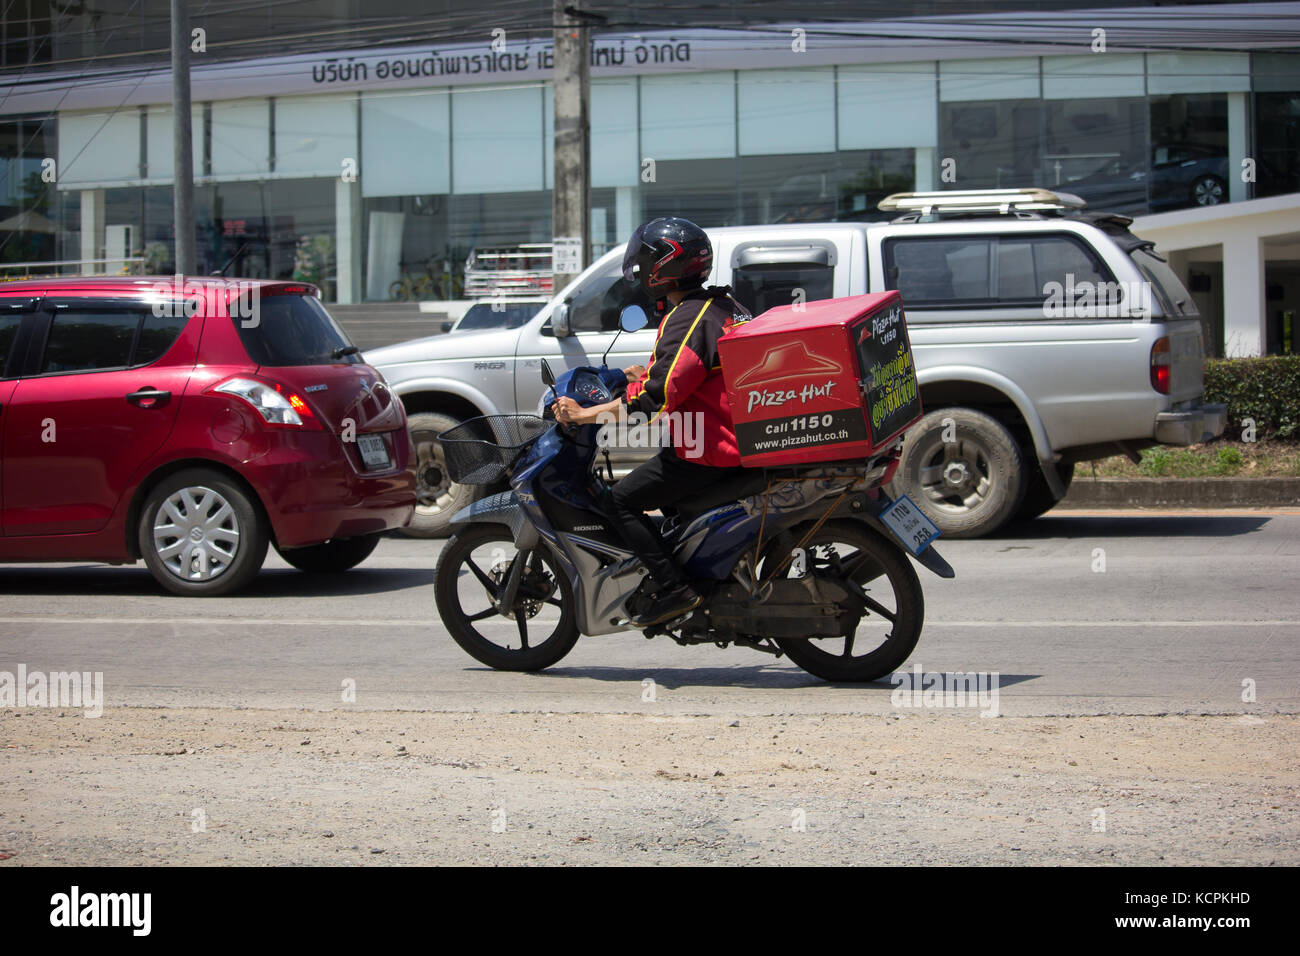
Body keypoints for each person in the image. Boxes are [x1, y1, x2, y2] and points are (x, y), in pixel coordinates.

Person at [554, 217, 751, 626]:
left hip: (710, 448)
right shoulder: (723, 305)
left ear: (665, 267)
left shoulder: (688, 318)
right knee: (662, 492)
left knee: (619, 500)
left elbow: (653, 401)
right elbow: (687, 374)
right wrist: (636, 375)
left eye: (645, 261)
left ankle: (675, 589)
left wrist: (584, 414)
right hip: (734, 438)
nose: (639, 270)